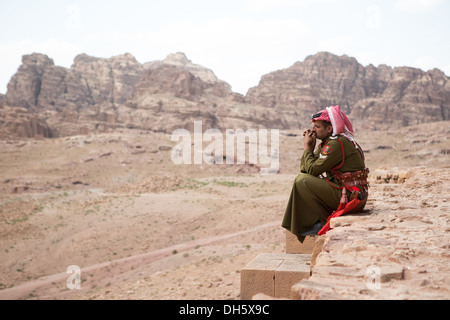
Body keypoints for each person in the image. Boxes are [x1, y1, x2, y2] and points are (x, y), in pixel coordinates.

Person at [281, 105, 369, 243]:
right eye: (313, 126)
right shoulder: (326, 143)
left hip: (352, 196)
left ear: (329, 128)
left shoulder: (337, 143)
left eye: (317, 127)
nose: (313, 130)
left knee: (301, 181)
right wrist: (310, 148)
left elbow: (312, 170)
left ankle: (320, 223)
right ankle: (315, 222)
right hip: (343, 192)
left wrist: (306, 148)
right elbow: (306, 169)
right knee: (303, 180)